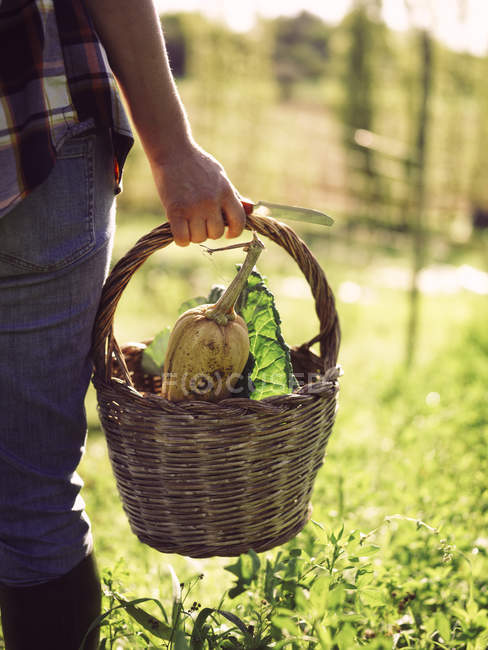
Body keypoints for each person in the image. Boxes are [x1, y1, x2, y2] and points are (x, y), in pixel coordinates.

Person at [0, 0, 246, 648]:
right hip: (32, 135)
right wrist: (171, 149)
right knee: (32, 491)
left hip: (32, 150)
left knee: (32, 495)